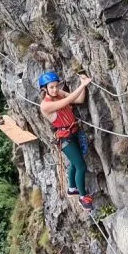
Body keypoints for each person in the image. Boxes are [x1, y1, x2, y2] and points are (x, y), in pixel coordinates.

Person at [38, 71, 94, 211]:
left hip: (74, 132)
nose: (55, 89)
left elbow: (79, 100)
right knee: (81, 166)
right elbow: (68, 102)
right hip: (65, 139)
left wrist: (84, 84)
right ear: (44, 89)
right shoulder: (45, 105)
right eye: (51, 87)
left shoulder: (59, 93)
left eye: (56, 86)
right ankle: (83, 197)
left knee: (75, 164)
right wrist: (82, 84)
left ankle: (72, 188)